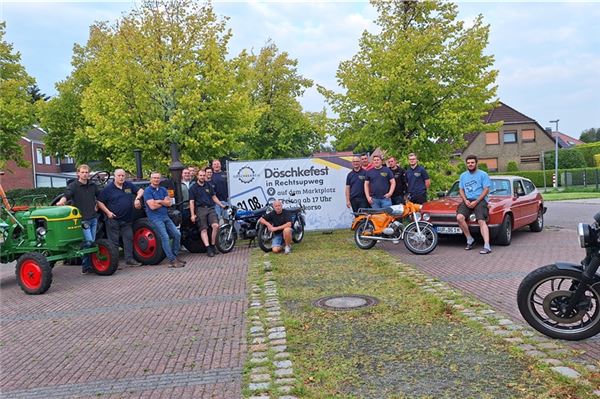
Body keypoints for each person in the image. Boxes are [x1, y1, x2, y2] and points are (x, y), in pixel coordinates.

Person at [56, 164, 101, 274]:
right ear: (78, 173)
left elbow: (100, 197)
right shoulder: (73, 186)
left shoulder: (92, 185)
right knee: (89, 242)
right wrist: (62, 201)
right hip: (83, 219)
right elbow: (67, 195)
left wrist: (98, 205)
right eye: (82, 172)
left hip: (93, 218)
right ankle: (86, 266)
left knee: (91, 243)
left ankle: (89, 266)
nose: (85, 174)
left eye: (86, 172)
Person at [97, 169, 144, 267]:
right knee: (114, 243)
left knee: (129, 239)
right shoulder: (108, 189)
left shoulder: (128, 185)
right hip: (113, 219)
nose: (121, 177)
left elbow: (140, 190)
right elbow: (99, 202)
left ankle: (129, 259)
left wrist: (137, 198)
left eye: (123, 175)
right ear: (115, 176)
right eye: (119, 176)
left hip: (127, 219)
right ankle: (114, 264)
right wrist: (108, 212)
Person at [143, 172, 185, 267]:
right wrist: (163, 202)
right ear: (151, 179)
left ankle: (174, 256)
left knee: (177, 234)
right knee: (165, 237)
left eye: (158, 178)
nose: (156, 179)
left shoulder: (163, 189)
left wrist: (159, 201)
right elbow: (152, 206)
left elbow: (169, 203)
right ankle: (172, 260)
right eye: (154, 178)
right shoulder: (147, 191)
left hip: (165, 216)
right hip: (155, 218)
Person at [457, 155, 493, 255]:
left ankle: (487, 246)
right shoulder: (463, 176)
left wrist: (476, 202)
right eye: (468, 163)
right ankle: (470, 239)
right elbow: (461, 189)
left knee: (481, 221)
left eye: (472, 162)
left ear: (476, 163)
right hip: (467, 200)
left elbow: (486, 189)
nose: (470, 164)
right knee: (459, 217)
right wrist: (465, 200)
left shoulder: (483, 174)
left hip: (480, 200)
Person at [189, 169, 225, 257]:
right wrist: (192, 214)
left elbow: (214, 197)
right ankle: (208, 248)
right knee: (203, 229)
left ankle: (213, 245)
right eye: (200, 175)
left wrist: (221, 205)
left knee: (215, 225)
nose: (202, 177)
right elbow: (191, 202)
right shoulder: (193, 188)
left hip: (210, 208)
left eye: (203, 175)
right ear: (197, 176)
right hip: (200, 209)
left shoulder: (208, 185)